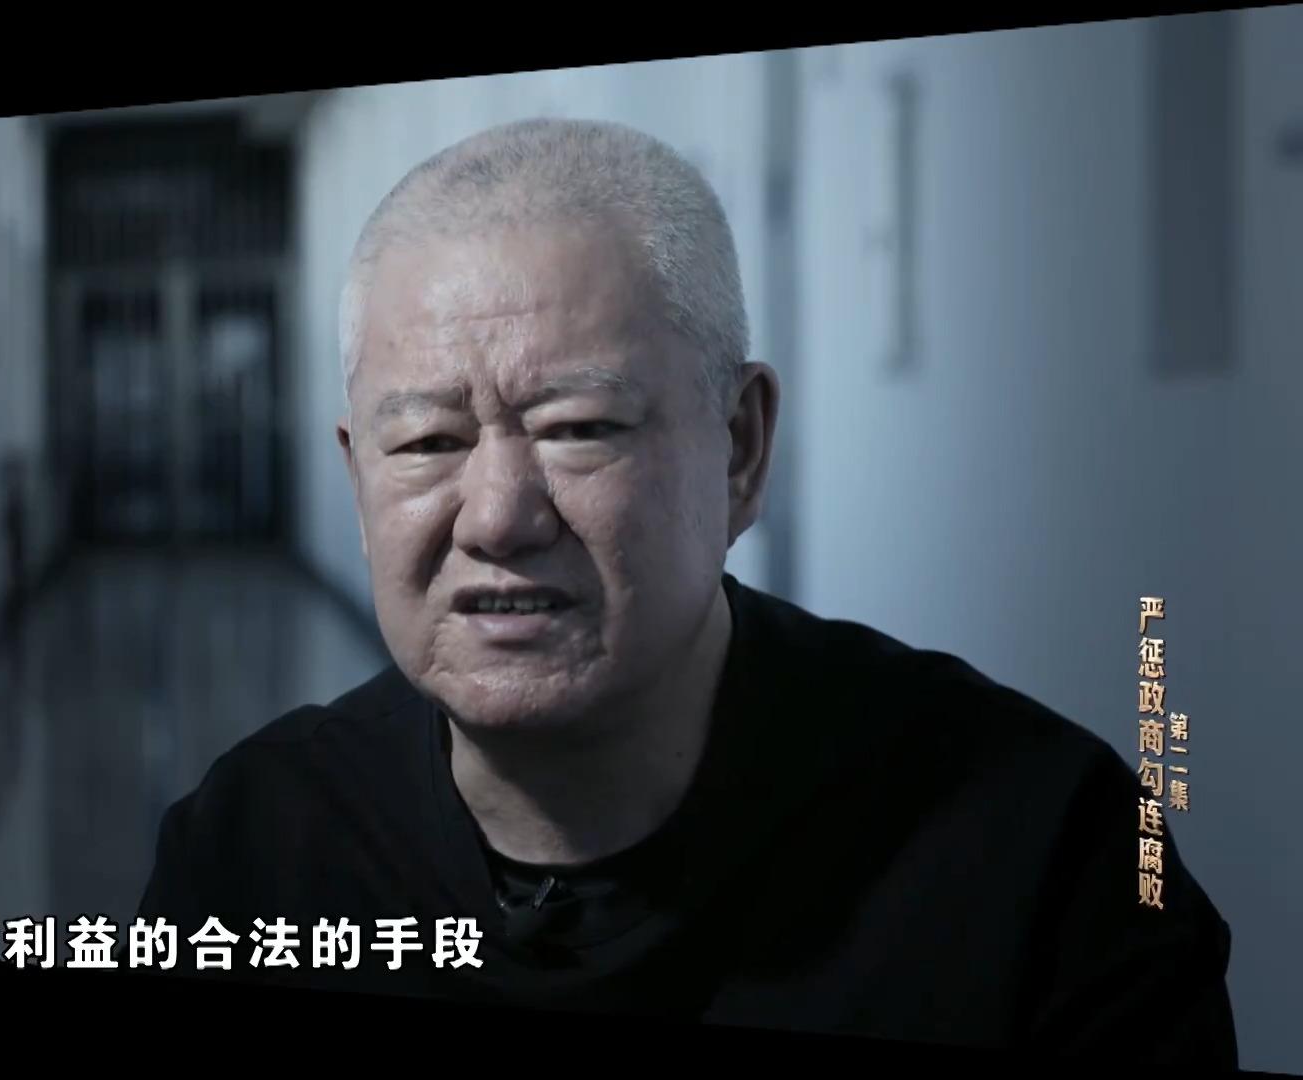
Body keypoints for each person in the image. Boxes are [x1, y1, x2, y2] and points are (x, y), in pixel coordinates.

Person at [135, 118, 1235, 1064]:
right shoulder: (250, 856)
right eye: (427, 441)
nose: (498, 516)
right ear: (357, 477)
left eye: (579, 428)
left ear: (740, 447)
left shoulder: (1049, 859)